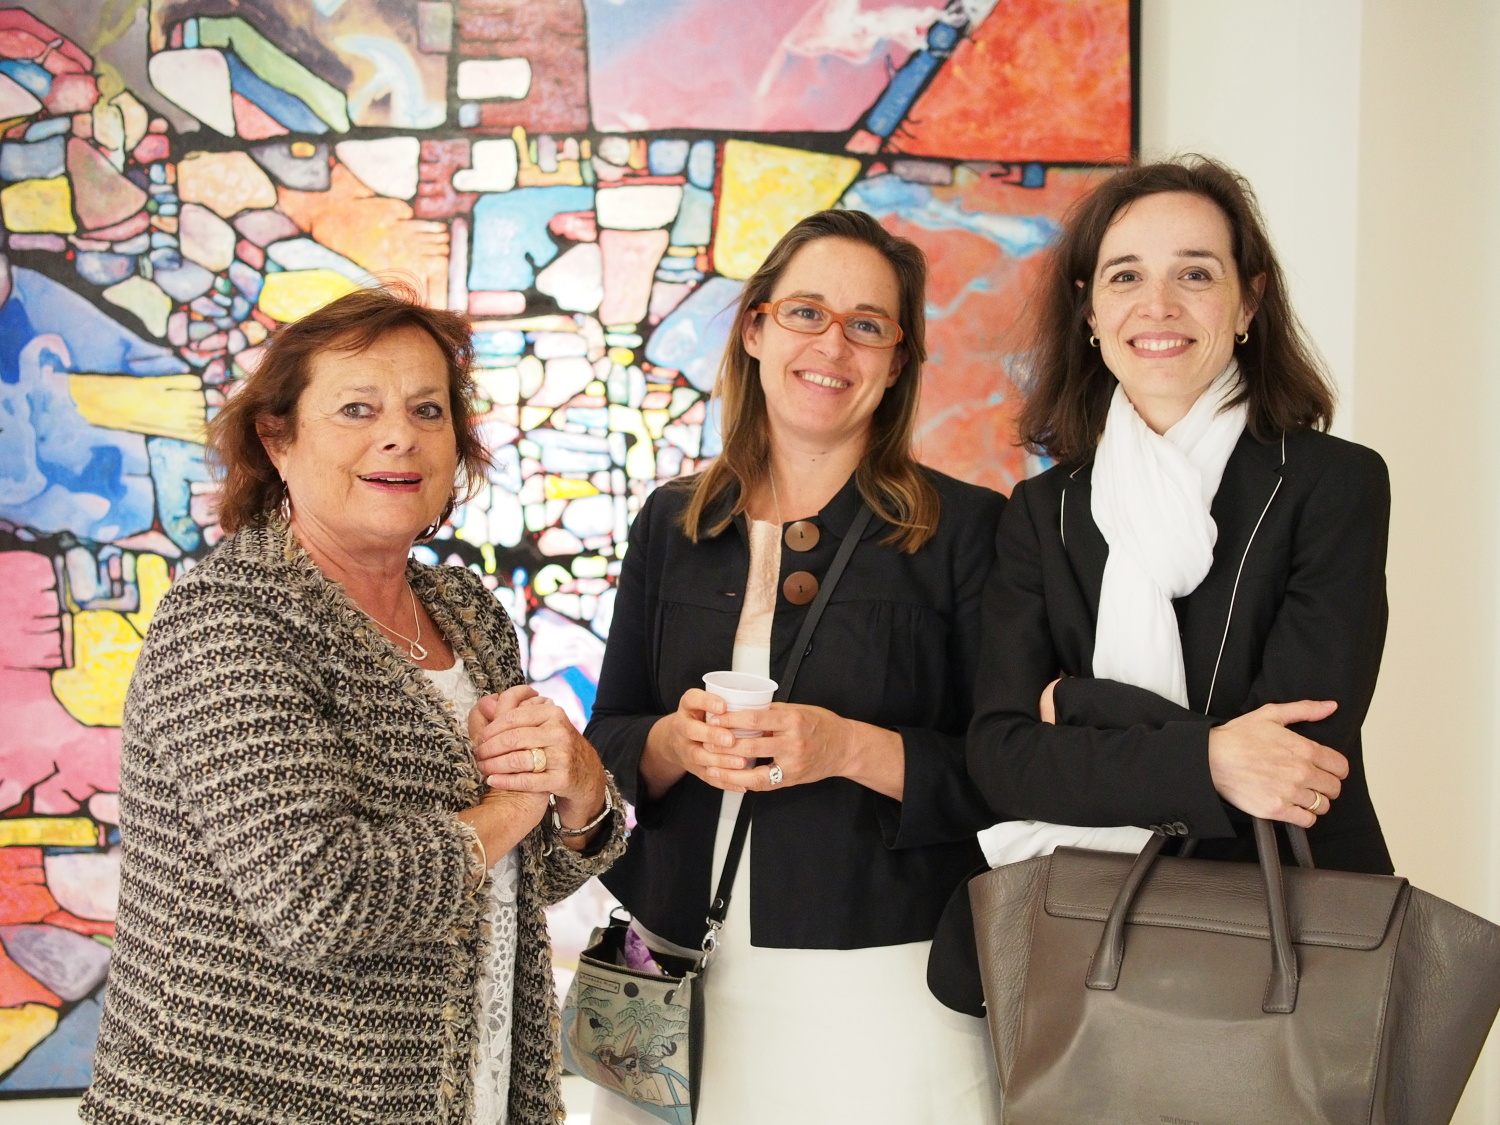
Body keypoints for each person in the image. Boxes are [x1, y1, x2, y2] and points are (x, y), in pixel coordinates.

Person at [82, 285, 625, 1124]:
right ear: (278, 439)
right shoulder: (232, 618)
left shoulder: (467, 614)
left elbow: (510, 880)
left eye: (427, 409)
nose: (400, 434)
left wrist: (583, 791)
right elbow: (318, 900)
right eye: (357, 409)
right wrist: (514, 806)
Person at [938, 156, 1393, 1013]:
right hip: (1076, 952)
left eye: (1195, 273)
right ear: (1090, 311)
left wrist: (1079, 707)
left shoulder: (1336, 484)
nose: (1158, 304)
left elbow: (1295, 758)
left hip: (1287, 955)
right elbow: (1000, 758)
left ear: (1248, 302)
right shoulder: (1043, 511)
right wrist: (1212, 756)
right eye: (1126, 276)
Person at [585, 209, 1005, 1123]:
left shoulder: (967, 529)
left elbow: (1005, 766)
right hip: (669, 966)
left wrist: (846, 747)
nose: (833, 345)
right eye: (806, 312)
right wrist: (671, 742)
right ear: (756, 329)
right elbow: (606, 737)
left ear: (897, 360)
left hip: (887, 980)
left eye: (868, 324)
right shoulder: (670, 522)